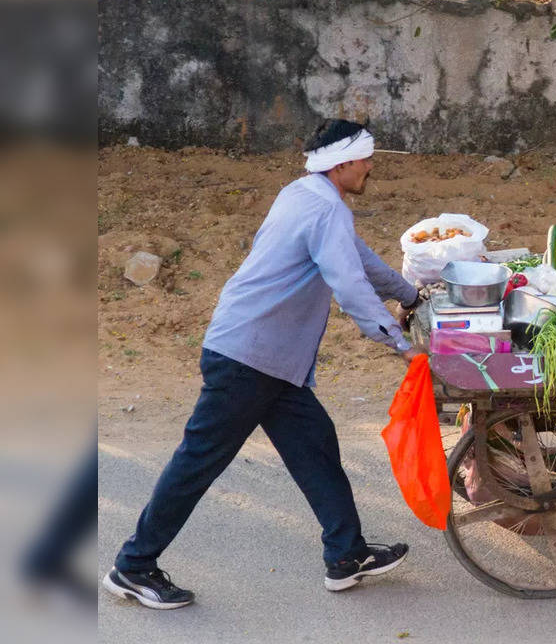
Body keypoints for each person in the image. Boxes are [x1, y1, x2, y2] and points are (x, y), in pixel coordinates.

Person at [103, 119, 429, 610]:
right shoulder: (325, 210)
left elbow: (357, 258)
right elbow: (349, 285)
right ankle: (133, 566)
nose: (370, 168)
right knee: (197, 462)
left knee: (315, 446)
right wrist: (400, 345)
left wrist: (410, 295)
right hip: (248, 357)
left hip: (268, 359)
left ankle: (347, 555)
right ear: (341, 164)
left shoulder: (304, 194)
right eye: (365, 160)